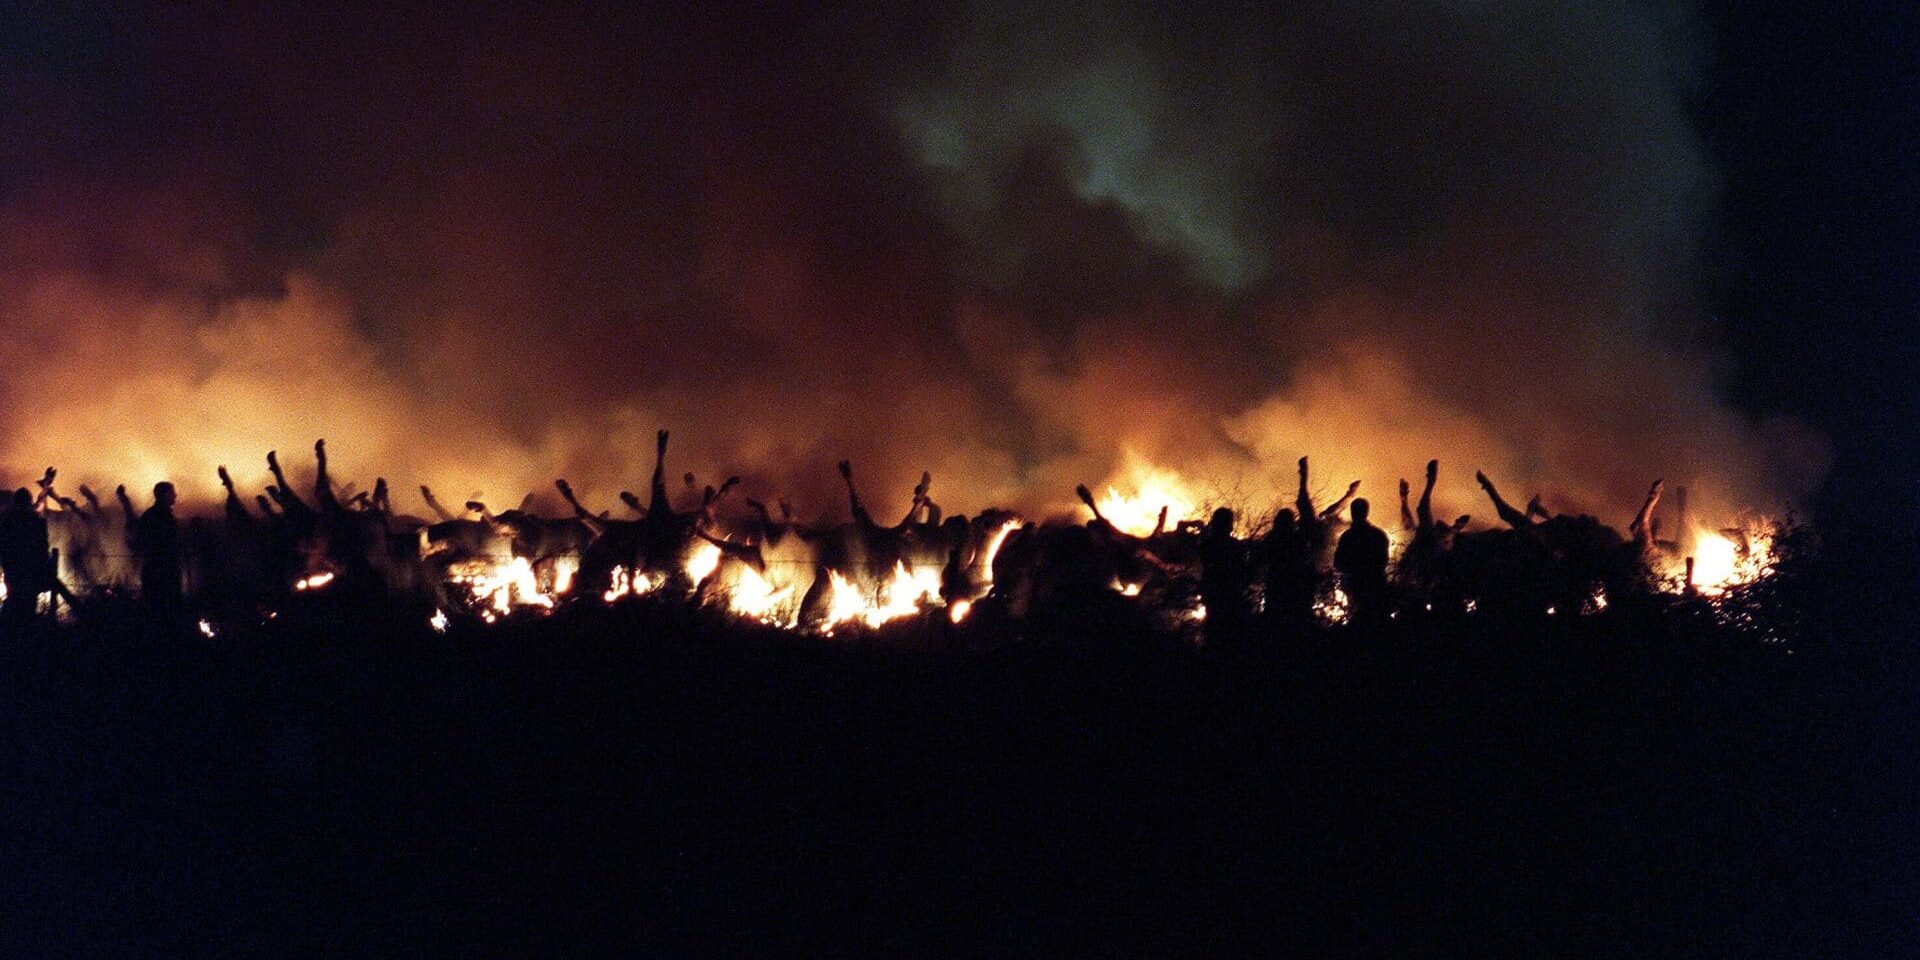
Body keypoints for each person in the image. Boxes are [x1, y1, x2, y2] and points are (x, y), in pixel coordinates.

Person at [1333, 498, 1390, 625]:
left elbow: (1338, 563)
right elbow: (1384, 562)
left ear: (1352, 513)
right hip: (1376, 588)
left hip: (1355, 590)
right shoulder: (1378, 535)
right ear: (1366, 512)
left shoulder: (1347, 537)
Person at [0, 488, 51, 626]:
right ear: (29, 502)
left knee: (14, 601)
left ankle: (12, 633)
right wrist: (45, 574)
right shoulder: (37, 523)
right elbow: (43, 549)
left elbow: (4, 548)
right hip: (31, 573)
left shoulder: (7, 523)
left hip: (14, 572)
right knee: (28, 606)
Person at [134, 481, 184, 617]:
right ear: (163, 495)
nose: (175, 495)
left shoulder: (150, 515)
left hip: (155, 570)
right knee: (165, 610)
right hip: (163, 572)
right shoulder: (161, 516)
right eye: (172, 492)